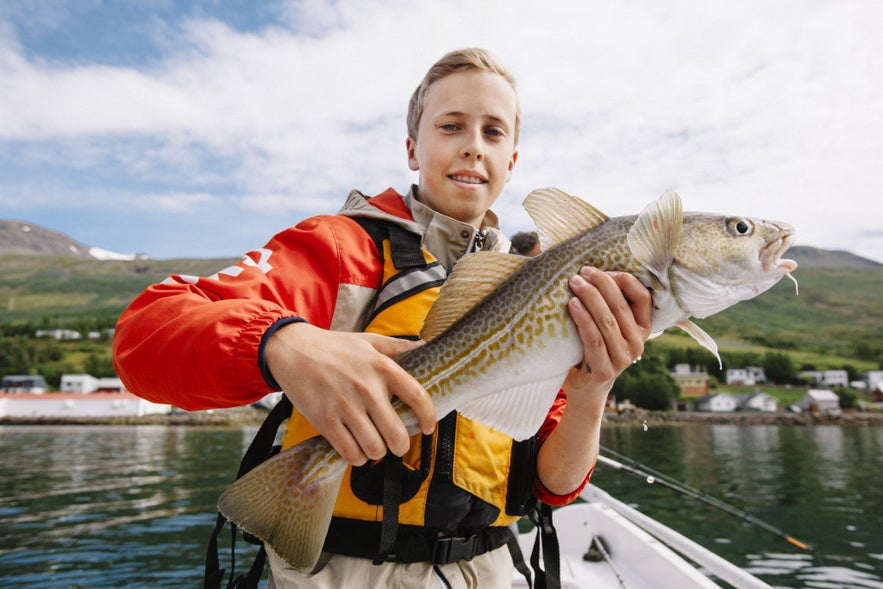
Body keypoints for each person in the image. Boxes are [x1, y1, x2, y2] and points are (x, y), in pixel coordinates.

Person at [113, 48, 652, 589]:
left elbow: (553, 485)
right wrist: (284, 343)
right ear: (413, 148)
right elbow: (144, 335)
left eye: (493, 132)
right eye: (451, 126)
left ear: (512, 161)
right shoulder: (341, 249)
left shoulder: (538, 289)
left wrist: (592, 388)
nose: (472, 145)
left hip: (488, 571)